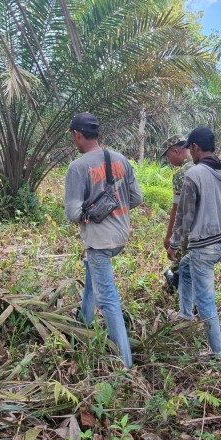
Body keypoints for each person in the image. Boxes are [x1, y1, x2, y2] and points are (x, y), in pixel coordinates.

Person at [64, 112, 143, 369]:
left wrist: (91, 211)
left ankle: (125, 363)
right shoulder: (120, 159)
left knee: (108, 298)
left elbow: (73, 214)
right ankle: (84, 323)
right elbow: (136, 199)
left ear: (77, 135)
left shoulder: (78, 168)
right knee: (94, 275)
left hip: (99, 241)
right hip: (120, 236)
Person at [167, 127, 221, 363]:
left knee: (206, 302)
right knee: (185, 269)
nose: (189, 153)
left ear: (195, 148)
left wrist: (173, 244)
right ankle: (185, 314)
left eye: (190, 149)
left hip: (204, 247)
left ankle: (220, 355)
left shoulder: (194, 175)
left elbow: (184, 215)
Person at [160, 135, 192, 292]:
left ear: (176, 151)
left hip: (190, 231)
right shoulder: (211, 166)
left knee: (183, 265)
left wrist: (169, 238)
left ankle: (180, 292)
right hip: (215, 232)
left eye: (168, 156)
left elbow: (177, 209)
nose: (169, 160)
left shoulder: (181, 174)